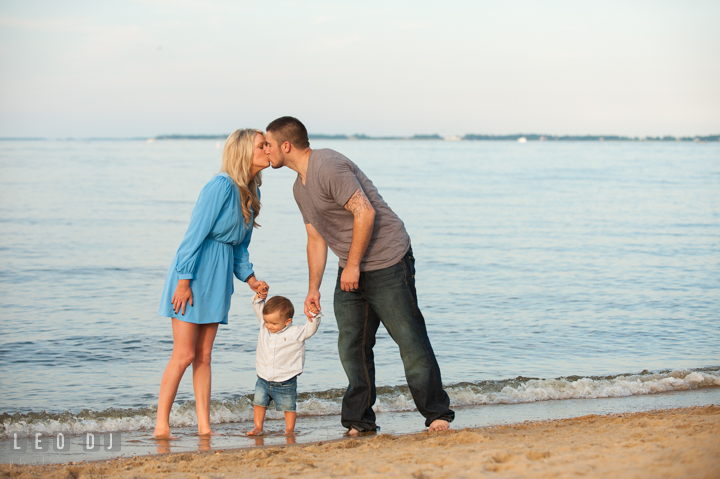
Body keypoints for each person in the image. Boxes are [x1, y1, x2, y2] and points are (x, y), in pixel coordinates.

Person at [264, 116, 455, 434]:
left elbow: (365, 211)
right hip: (351, 268)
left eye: (268, 144)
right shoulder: (300, 188)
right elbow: (315, 239)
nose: (265, 150)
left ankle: (437, 414)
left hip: (388, 260)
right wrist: (314, 288)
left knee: (409, 340)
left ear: (286, 145)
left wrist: (352, 266)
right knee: (352, 345)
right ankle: (359, 421)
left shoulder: (327, 165)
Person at [153, 128, 270, 438]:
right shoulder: (220, 186)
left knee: (204, 356)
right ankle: (161, 425)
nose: (268, 150)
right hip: (194, 273)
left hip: (218, 279)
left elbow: (239, 247)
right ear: (245, 151)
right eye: (262, 145)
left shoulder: (251, 193)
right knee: (184, 354)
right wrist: (183, 280)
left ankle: (204, 427)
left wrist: (251, 278)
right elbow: (193, 236)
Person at [247, 295, 321, 436]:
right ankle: (258, 427)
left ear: (287, 321)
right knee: (258, 403)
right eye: (267, 322)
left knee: (289, 406)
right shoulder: (264, 326)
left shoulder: (296, 332)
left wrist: (314, 313)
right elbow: (258, 308)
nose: (268, 326)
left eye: (273, 324)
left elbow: (310, 329)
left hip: (286, 379)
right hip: (263, 377)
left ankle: (289, 429)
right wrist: (258, 297)